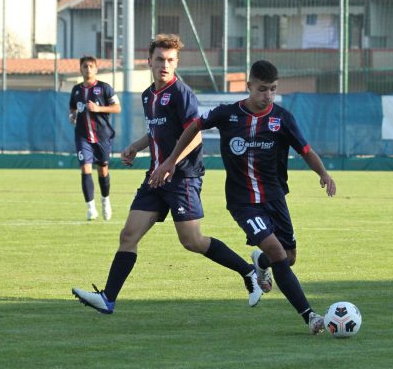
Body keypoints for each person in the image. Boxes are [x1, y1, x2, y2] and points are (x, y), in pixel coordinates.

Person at [71, 34, 262, 313]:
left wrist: (170, 163)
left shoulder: (181, 93)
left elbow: (194, 137)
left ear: (176, 63)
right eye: (159, 59)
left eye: (170, 60)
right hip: (156, 177)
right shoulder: (149, 95)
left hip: (182, 177)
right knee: (128, 235)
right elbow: (156, 131)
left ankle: (248, 272)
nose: (164, 64)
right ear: (149, 61)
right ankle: (108, 298)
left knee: (192, 241)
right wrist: (136, 147)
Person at [149, 60, 336, 334]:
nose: (268, 96)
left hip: (274, 198)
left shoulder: (282, 118)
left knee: (289, 256)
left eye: (272, 89)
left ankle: (259, 263)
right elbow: (194, 126)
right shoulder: (228, 114)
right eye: (262, 89)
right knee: (278, 253)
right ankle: (310, 317)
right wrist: (171, 161)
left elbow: (305, 150)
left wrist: (324, 174)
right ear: (249, 86)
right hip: (243, 202)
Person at [69, 56, 121, 220]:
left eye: (91, 66)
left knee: (103, 169)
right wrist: (72, 116)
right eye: (85, 66)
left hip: (102, 136)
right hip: (82, 136)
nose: (88, 69)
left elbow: (117, 107)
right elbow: (72, 108)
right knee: (85, 168)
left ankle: (105, 200)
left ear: (96, 69)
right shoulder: (76, 90)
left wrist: (98, 108)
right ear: (81, 69)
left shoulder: (104, 88)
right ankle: (91, 208)